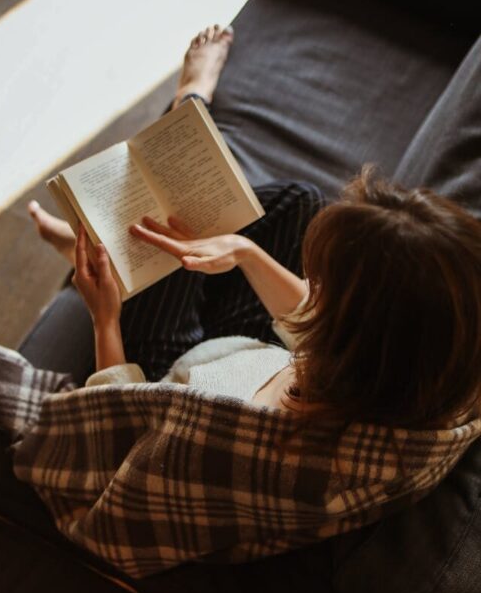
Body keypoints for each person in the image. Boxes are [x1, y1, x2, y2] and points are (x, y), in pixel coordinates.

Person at [28, 25, 481, 432]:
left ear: (347, 337)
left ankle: (182, 113)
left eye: (321, 286)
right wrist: (245, 252)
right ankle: (109, 245)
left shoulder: (240, 432)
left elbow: (118, 434)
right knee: (298, 201)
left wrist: (104, 318)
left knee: (158, 238)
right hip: (256, 355)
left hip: (172, 377)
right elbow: (311, 326)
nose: (308, 286)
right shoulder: (421, 367)